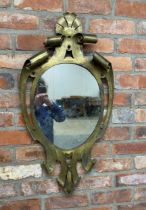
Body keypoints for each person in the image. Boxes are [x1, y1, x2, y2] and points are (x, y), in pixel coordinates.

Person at [34, 78, 66, 143]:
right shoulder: (26, 105)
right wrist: (34, 107)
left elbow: (61, 118)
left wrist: (51, 104)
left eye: (42, 90)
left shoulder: (48, 106)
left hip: (48, 145)